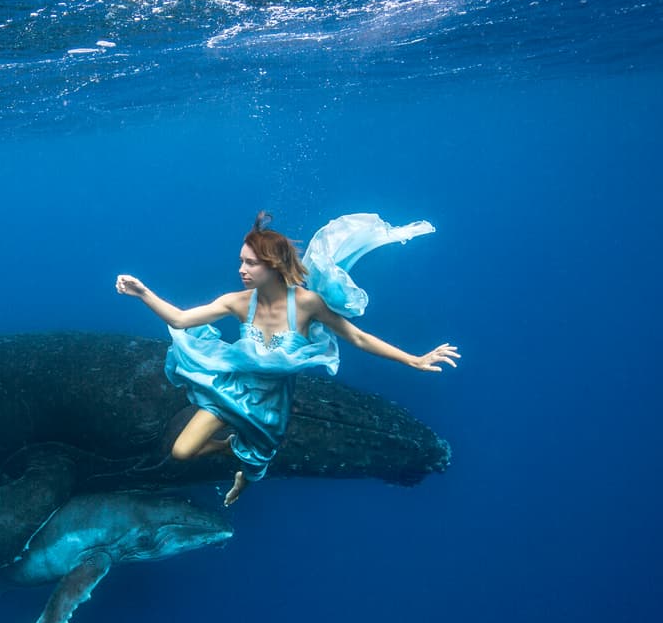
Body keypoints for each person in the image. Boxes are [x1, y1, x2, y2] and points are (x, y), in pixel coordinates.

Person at [116, 210, 459, 506]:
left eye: (250, 263)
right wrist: (143, 292)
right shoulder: (237, 301)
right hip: (231, 389)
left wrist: (413, 359)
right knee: (181, 452)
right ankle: (228, 448)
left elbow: (357, 337)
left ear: (273, 265)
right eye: (241, 261)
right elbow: (180, 320)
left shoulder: (307, 304)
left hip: (270, 405)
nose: (242, 269)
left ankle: (244, 476)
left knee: (256, 468)